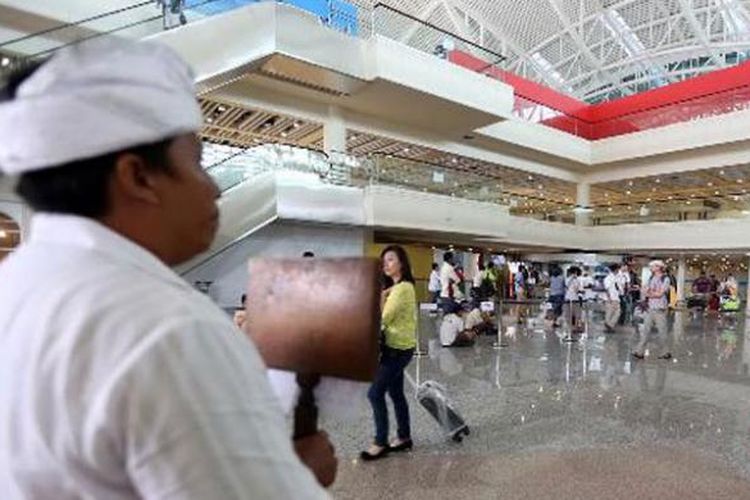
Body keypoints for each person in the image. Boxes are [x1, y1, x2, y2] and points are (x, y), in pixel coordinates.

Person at [0, 39, 334, 498]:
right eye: (197, 161)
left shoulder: (17, 283)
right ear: (137, 176)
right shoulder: (171, 330)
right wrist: (300, 475)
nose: (215, 188)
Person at [362, 245, 417, 461]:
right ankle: (404, 437)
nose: (386, 264)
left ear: (401, 263)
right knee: (396, 393)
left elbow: (382, 319)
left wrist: (380, 298)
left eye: (391, 260)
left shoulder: (402, 288)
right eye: (384, 261)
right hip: (401, 347)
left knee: (375, 393)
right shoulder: (400, 288)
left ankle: (380, 442)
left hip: (396, 350)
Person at [633, 260, 672, 360]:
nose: (651, 268)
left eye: (653, 266)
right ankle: (639, 351)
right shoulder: (651, 278)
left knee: (662, 331)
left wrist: (649, 293)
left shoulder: (665, 279)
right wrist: (646, 291)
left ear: (659, 267)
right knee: (645, 330)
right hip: (650, 308)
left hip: (660, 309)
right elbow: (647, 290)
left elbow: (660, 294)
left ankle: (665, 352)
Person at [564, 266, 582, 334]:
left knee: (574, 314)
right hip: (570, 298)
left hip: (573, 298)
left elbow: (577, 289)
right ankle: (572, 327)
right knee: (571, 314)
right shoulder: (569, 279)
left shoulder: (576, 280)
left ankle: (574, 327)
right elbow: (567, 286)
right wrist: (572, 278)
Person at [603, 264, 621, 333]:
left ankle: (609, 325)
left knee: (617, 313)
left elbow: (618, 288)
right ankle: (609, 327)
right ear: (616, 269)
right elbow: (607, 289)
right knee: (609, 313)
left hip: (616, 298)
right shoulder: (608, 278)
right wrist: (609, 298)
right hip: (611, 298)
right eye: (618, 269)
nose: (618, 271)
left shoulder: (616, 278)